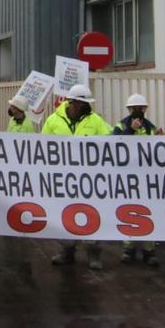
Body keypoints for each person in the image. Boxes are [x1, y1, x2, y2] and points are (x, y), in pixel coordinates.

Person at [42, 84, 110, 269]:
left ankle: (94, 254)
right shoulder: (53, 121)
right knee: (64, 217)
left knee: (92, 216)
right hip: (62, 180)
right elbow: (41, 148)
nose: (87, 106)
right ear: (73, 103)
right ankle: (67, 251)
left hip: (89, 180)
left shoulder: (95, 120)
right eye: (83, 103)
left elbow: (109, 144)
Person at [112, 93, 159, 267]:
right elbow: (113, 144)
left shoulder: (151, 128)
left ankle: (149, 250)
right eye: (134, 109)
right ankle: (128, 248)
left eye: (140, 108)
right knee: (128, 211)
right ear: (129, 110)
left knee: (149, 212)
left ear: (145, 109)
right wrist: (130, 130)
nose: (137, 111)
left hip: (147, 178)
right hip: (127, 177)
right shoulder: (120, 126)